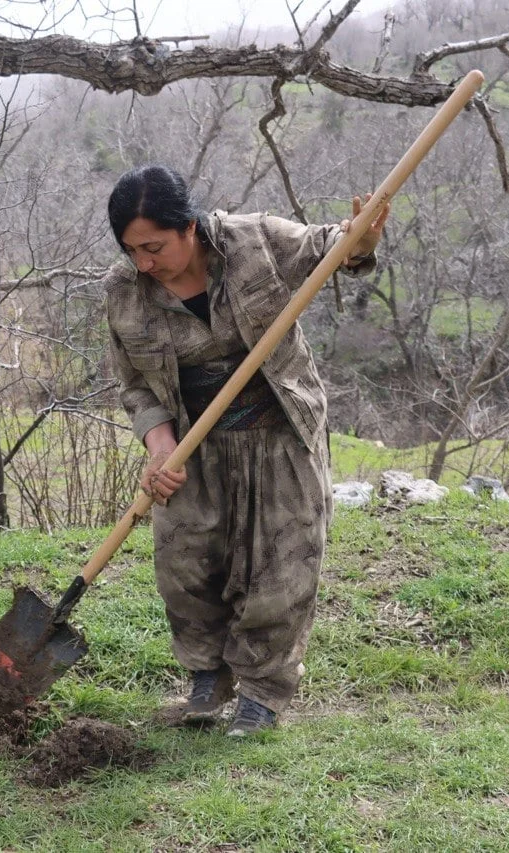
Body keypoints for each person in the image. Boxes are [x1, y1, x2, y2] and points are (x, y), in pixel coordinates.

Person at [103, 165, 388, 736]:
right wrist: (160, 447)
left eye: (153, 247)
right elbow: (134, 382)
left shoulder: (252, 239)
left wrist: (360, 241)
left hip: (278, 428)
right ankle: (208, 676)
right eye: (132, 251)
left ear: (189, 228)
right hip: (193, 441)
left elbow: (329, 247)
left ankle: (262, 690)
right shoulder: (124, 292)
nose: (144, 264)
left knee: (281, 564)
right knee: (186, 563)